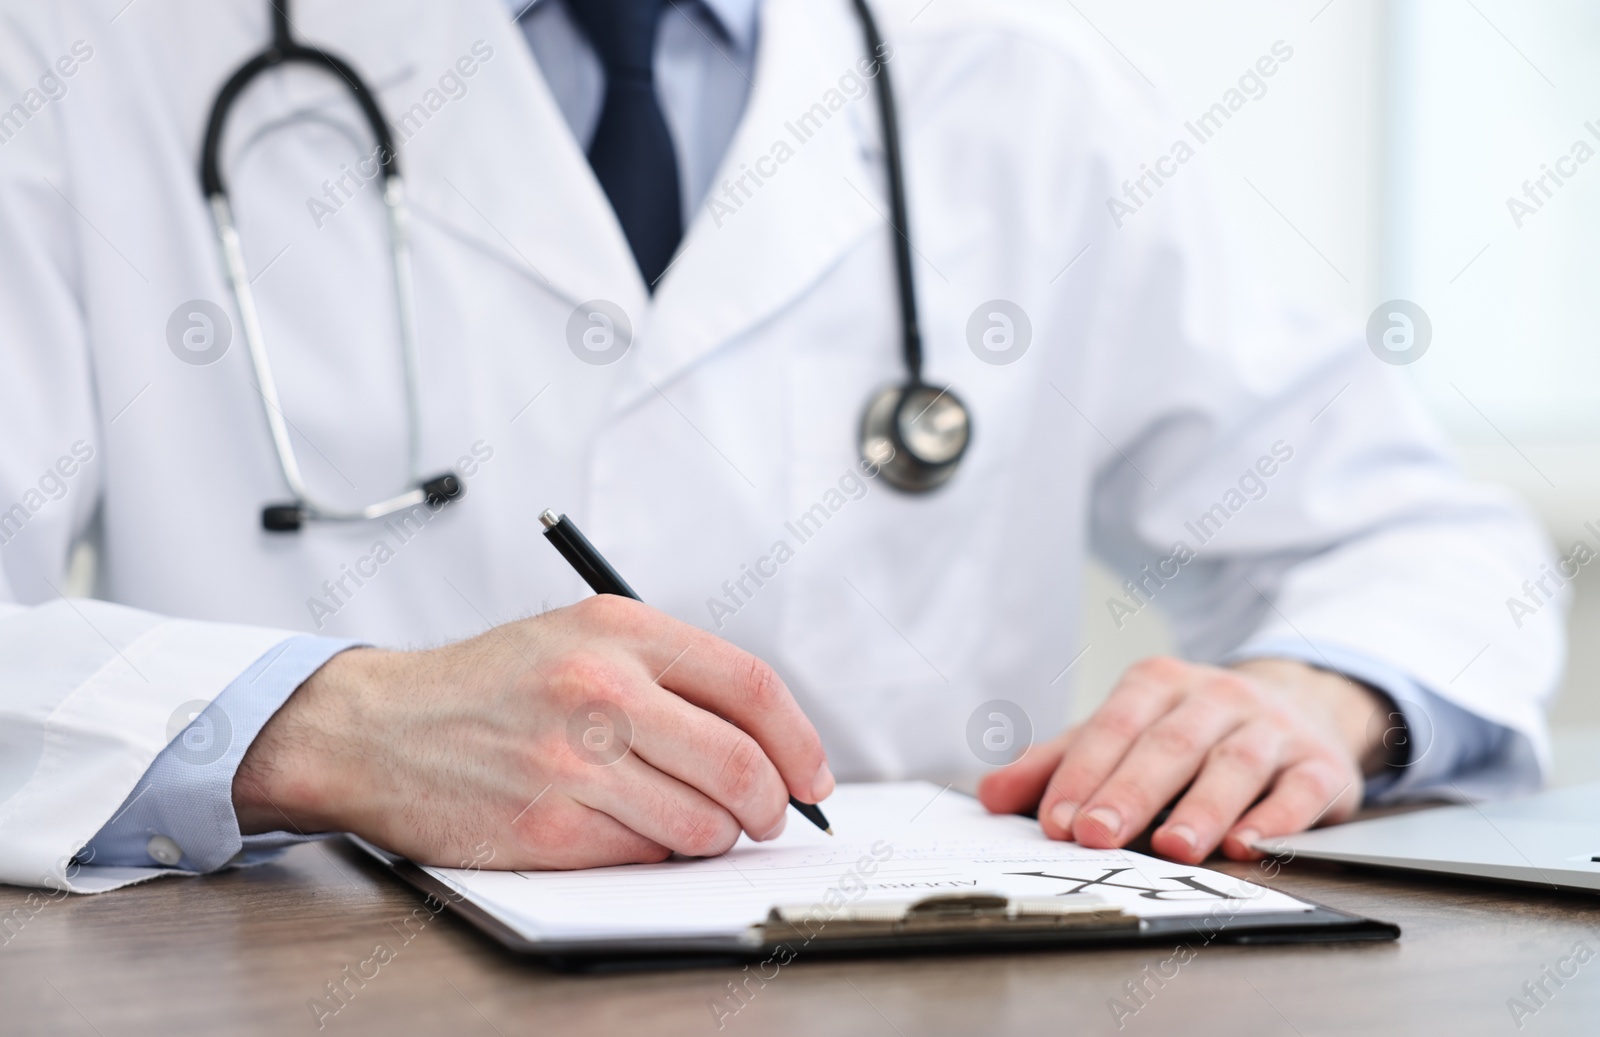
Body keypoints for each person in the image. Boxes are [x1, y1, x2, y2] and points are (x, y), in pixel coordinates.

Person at [0, 0, 1561, 892]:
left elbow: (1427, 545)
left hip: (909, 1008)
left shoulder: (1019, 76)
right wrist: (322, 729)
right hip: (307, 1010)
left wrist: (1319, 691)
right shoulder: (89, 55)